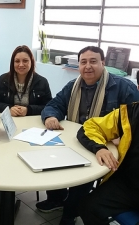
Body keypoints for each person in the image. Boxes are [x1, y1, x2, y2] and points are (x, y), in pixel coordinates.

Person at [37, 46, 139, 225]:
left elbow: (131, 123)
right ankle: (56, 198)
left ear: (103, 63)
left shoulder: (123, 87)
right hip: (81, 139)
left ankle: (69, 214)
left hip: (107, 149)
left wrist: (119, 137)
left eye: (93, 61)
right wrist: (51, 116)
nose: (88, 66)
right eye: (83, 62)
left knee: (81, 178)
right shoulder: (73, 86)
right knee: (49, 159)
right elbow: (55, 104)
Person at [76, 103, 139, 225]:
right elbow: (90, 127)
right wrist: (99, 148)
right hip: (128, 184)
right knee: (88, 207)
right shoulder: (128, 113)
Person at [0, 45, 52, 116]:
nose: (21, 64)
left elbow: (48, 106)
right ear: (12, 63)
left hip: (31, 121)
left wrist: (28, 110)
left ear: (31, 62)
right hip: (10, 120)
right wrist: (9, 109)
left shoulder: (42, 82)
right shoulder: (3, 79)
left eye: (25, 61)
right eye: (17, 61)